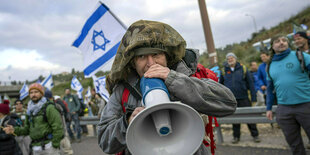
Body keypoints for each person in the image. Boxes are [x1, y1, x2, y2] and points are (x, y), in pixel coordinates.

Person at [97, 20, 237, 155]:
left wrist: (174, 79)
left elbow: (228, 103)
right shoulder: (122, 90)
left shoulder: (187, 74)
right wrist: (127, 122)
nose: (151, 63)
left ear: (166, 56)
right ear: (133, 62)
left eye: (156, 54)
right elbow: (104, 141)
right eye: (142, 57)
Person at [266, 34, 310, 155]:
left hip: (306, 104)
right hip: (284, 109)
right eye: (277, 41)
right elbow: (270, 89)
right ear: (272, 46)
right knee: (294, 144)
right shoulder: (270, 65)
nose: (281, 43)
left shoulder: (300, 56)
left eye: (284, 40)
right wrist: (268, 108)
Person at [3, 83, 64, 155]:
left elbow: (58, 127)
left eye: (36, 92)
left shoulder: (49, 108)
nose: (33, 94)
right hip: (35, 148)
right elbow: (26, 129)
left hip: (49, 147)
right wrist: (14, 130)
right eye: (31, 92)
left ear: (41, 93)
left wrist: (54, 145)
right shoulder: (29, 110)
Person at [220, 52, 260, 144]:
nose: (230, 60)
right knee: (235, 119)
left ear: (235, 59)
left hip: (244, 97)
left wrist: (254, 98)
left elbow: (251, 84)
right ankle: (236, 137)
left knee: (250, 118)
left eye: (232, 58)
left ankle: (255, 135)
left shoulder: (243, 68)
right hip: (231, 99)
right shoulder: (224, 71)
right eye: (228, 58)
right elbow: (221, 86)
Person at [45, 90, 74, 155]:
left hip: (57, 132)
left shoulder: (51, 106)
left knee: (59, 150)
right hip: (62, 130)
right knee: (67, 150)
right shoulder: (56, 105)